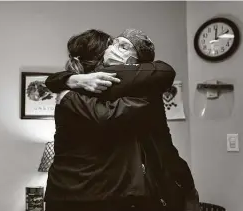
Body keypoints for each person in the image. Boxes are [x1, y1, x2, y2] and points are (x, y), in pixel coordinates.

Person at [45, 29, 200, 211]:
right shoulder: (76, 93)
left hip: (68, 191)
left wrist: (69, 80)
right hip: (97, 193)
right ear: (100, 59)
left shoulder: (69, 92)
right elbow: (107, 115)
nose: (114, 48)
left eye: (122, 46)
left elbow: (162, 72)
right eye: (112, 44)